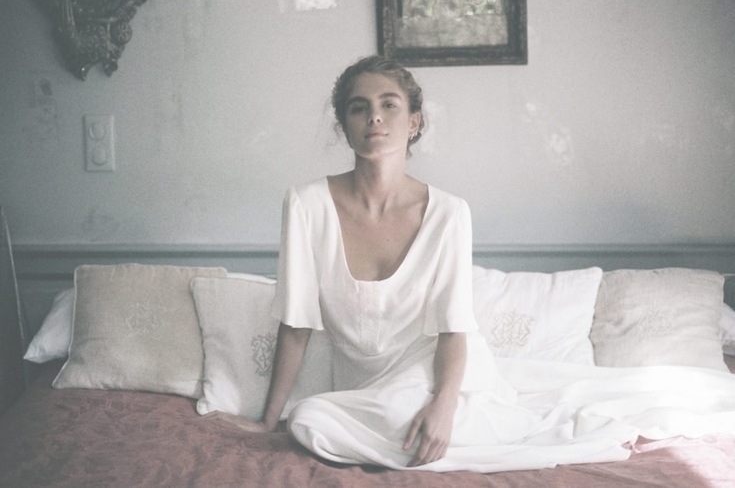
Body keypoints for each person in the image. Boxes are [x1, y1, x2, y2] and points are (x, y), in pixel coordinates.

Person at [206, 55, 735, 473]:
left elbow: (454, 329)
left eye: (389, 105)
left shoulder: (448, 212)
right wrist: (268, 420)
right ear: (344, 125)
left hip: (436, 369)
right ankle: (437, 432)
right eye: (358, 107)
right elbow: (296, 325)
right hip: (365, 388)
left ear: (414, 121)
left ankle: (459, 421)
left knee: (344, 419)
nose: (375, 117)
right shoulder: (306, 204)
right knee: (309, 421)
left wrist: (443, 405)